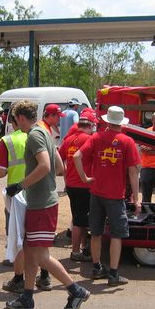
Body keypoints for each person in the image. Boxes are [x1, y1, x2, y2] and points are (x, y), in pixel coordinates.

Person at [4, 100, 90, 309]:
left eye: (14, 120)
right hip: (41, 201)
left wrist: (20, 185)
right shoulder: (46, 133)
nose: (16, 124)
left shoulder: (34, 135)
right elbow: (59, 167)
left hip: (41, 204)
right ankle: (27, 296)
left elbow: (45, 166)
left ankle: (75, 290)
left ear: (20, 118)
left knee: (41, 255)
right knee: (32, 252)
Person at [74, 106, 141, 286]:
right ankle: (113, 274)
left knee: (95, 232)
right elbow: (133, 172)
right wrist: (136, 199)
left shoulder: (96, 138)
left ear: (107, 121)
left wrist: (84, 178)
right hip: (115, 196)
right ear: (122, 122)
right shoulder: (127, 142)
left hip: (96, 193)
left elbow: (76, 156)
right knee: (116, 235)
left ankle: (96, 268)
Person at [59, 109, 97, 262]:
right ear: (90, 125)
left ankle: (82, 248)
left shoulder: (68, 139)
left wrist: (66, 173)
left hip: (72, 185)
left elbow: (59, 157)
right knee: (80, 220)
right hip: (84, 185)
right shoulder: (89, 139)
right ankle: (76, 252)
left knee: (78, 218)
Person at [0, 107, 27, 266]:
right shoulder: (35, 136)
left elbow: (0, 173)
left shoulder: (7, 141)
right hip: (34, 190)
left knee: (14, 226)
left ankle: (14, 258)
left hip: (15, 191)